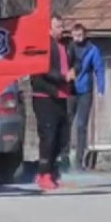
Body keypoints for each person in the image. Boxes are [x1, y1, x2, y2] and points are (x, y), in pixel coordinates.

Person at [30, 14, 72, 191]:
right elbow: (43, 71)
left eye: (62, 26)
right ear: (48, 28)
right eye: (57, 27)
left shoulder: (63, 46)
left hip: (62, 96)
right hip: (45, 97)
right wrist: (63, 77)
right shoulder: (42, 46)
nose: (61, 30)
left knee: (62, 137)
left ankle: (53, 172)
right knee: (48, 136)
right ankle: (43, 174)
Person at [62, 22, 105, 172]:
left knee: (81, 125)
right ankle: (64, 157)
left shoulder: (92, 50)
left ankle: (79, 160)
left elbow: (99, 69)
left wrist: (101, 88)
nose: (77, 38)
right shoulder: (68, 48)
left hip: (85, 90)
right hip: (70, 90)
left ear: (84, 35)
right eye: (75, 35)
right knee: (66, 122)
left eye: (80, 35)